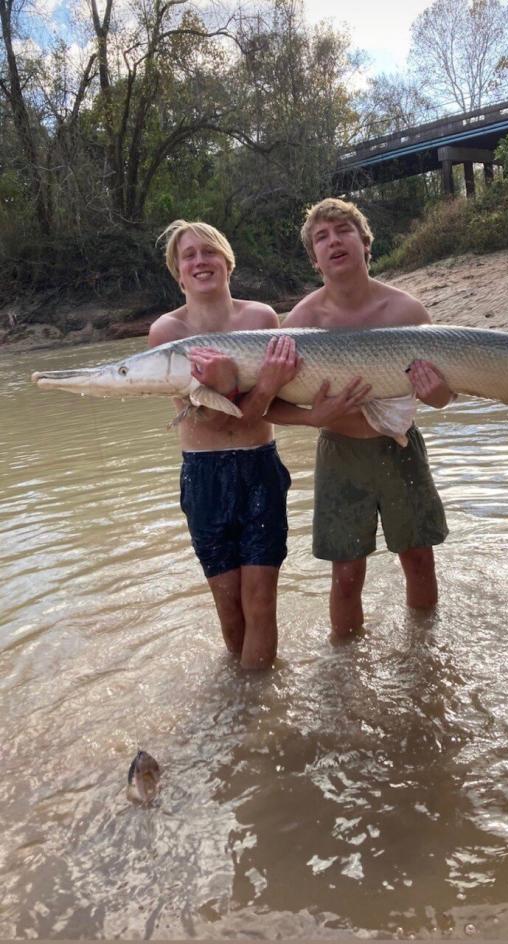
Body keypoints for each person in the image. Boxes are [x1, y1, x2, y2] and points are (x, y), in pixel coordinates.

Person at [265, 198, 454, 638]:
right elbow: (267, 404)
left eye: (343, 230)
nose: (334, 241)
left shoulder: (407, 312)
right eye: (322, 236)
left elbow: (444, 397)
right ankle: (345, 672)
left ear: (366, 242)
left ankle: (424, 656)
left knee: (420, 559)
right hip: (340, 454)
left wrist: (436, 392)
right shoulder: (302, 321)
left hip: (401, 447)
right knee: (346, 576)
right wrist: (314, 417)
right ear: (315, 259)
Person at [148, 219, 302, 670]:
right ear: (178, 273)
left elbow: (256, 416)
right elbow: (213, 422)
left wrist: (268, 383)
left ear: (228, 262)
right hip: (204, 474)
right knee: (229, 607)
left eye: (209, 251)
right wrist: (263, 384)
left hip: (259, 466)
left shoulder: (261, 319)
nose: (200, 261)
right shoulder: (166, 333)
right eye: (189, 255)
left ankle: (259, 710)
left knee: (260, 601)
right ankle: (242, 701)